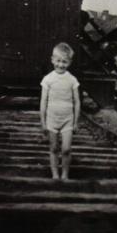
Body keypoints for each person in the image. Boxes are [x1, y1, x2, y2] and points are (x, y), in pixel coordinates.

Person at [40, 42, 81, 180]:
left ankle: (65, 174)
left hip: (67, 120)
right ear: (52, 59)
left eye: (64, 62)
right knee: (53, 148)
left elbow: (77, 102)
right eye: (58, 61)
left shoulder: (72, 80)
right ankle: (55, 174)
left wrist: (75, 122)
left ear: (69, 62)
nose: (61, 64)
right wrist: (43, 122)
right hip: (52, 119)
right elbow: (43, 102)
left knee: (66, 149)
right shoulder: (48, 79)